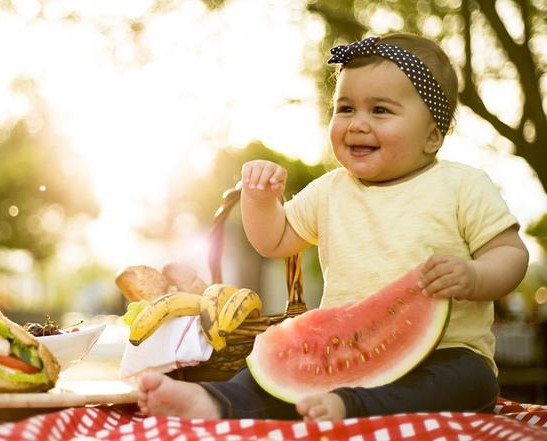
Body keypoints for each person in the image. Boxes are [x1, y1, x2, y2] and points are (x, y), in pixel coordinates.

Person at [137, 33, 530, 422]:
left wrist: (475, 276)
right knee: (264, 377)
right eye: (345, 108)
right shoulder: (329, 190)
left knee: (472, 381)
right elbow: (275, 240)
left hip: (447, 352)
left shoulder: (462, 185)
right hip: (338, 352)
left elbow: (510, 253)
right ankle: (213, 402)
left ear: (432, 135)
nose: (357, 124)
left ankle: (350, 407)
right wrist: (259, 200)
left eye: (380, 111)